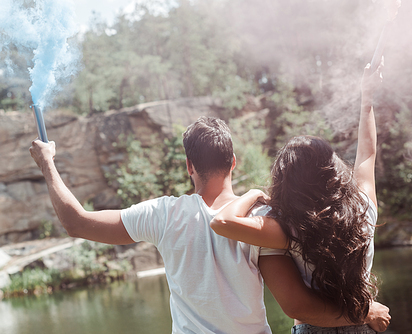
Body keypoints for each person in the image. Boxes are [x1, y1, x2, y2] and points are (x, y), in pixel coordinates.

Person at [30, 116, 389, 333]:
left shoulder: (160, 215)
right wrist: (361, 310)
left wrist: (48, 163)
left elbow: (76, 223)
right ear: (233, 161)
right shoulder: (263, 220)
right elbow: (297, 302)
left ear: (189, 165)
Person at [211, 62, 389, 334]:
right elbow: (367, 154)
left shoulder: (290, 230)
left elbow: (221, 222)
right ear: (334, 172)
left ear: (287, 184)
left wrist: (254, 193)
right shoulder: (364, 210)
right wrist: (366, 99)